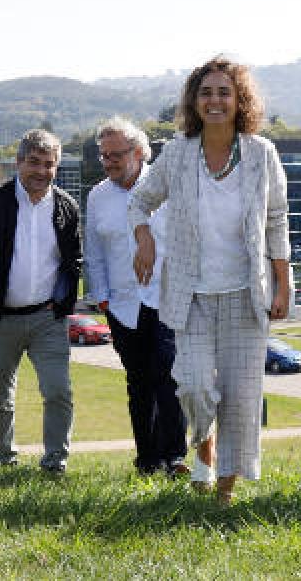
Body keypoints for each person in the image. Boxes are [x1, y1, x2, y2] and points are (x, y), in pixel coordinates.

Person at [127, 56, 290, 505]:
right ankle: (204, 446)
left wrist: (283, 282)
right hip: (191, 294)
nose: (215, 100)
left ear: (240, 100)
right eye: (206, 93)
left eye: (224, 92)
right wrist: (144, 241)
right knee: (195, 385)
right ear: (194, 102)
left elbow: (277, 219)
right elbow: (140, 201)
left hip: (245, 292)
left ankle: (223, 491)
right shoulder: (178, 153)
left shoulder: (261, 153)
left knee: (239, 399)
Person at [86, 119, 187, 477]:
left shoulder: (167, 187)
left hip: (165, 297)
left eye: (117, 154)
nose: (109, 161)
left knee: (169, 376)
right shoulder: (98, 195)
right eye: (104, 156)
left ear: (140, 152)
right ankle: (147, 460)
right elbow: (94, 251)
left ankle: (175, 457)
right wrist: (102, 300)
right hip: (122, 305)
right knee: (138, 382)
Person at [0, 128, 80, 473]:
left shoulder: (67, 207)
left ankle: (55, 462)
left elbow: (73, 260)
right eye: (33, 162)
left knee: (58, 391)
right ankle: (2, 459)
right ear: (19, 162)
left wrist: (63, 304)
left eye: (48, 164)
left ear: (57, 167)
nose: (41, 171)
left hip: (47, 318)